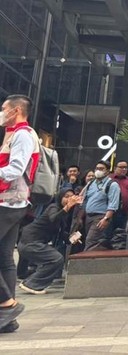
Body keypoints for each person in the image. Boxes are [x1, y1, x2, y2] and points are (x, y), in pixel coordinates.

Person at [0, 95, 40, 330]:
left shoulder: (23, 135)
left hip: (8, 202)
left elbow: (16, 169)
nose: (1, 112)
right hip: (12, 202)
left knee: (4, 258)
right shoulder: (15, 134)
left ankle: (7, 303)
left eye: (4, 108)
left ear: (16, 111)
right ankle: (7, 319)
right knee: (5, 258)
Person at [17, 189, 81, 294]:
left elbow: (61, 234)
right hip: (30, 242)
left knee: (53, 260)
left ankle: (30, 282)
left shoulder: (64, 215)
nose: (69, 199)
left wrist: (72, 238)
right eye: (66, 196)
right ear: (60, 197)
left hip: (32, 243)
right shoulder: (53, 207)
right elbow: (53, 218)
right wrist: (67, 207)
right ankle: (31, 284)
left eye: (71, 196)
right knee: (56, 259)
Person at [81, 161, 121, 251]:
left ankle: (85, 262)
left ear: (107, 171)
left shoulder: (112, 185)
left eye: (101, 169)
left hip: (100, 217)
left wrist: (106, 219)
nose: (98, 171)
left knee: (91, 240)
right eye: (97, 168)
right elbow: (84, 199)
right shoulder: (91, 184)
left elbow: (113, 204)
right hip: (88, 217)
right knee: (94, 242)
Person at [109, 160, 128, 236]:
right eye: (121, 167)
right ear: (115, 168)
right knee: (107, 233)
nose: (124, 169)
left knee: (120, 234)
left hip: (123, 213)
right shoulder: (109, 178)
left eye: (125, 167)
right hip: (109, 212)